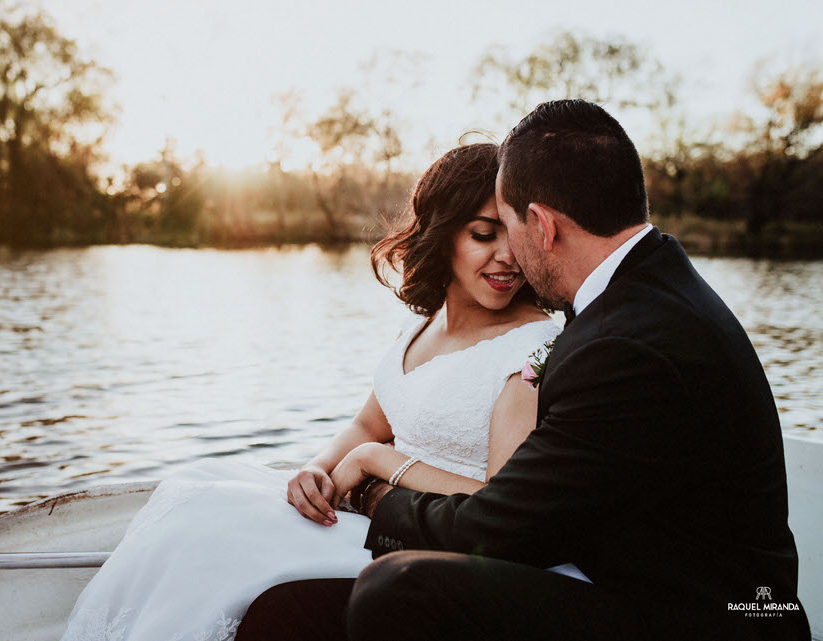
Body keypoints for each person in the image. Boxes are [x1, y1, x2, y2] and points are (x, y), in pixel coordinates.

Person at [237, 100, 810, 641]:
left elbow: (494, 529)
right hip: (665, 583)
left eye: (508, 227)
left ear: (543, 223)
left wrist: (371, 494)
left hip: (709, 618)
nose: (508, 253)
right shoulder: (649, 294)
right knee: (278, 604)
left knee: (397, 590)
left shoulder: (621, 344)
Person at [59, 143, 572, 641]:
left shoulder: (532, 350)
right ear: (441, 235)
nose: (507, 258)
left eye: (515, 237)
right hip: (364, 506)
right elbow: (368, 424)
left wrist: (376, 463)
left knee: (246, 566)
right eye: (484, 235)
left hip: (435, 540)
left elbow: (498, 504)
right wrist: (317, 469)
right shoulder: (423, 329)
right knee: (194, 501)